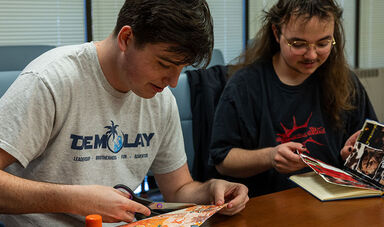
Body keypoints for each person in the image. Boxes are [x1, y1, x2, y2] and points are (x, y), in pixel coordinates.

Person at [0, 0, 249, 226]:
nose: (173, 82)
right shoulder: (51, 80)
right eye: (164, 64)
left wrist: (212, 190)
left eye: (181, 68)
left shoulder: (160, 99)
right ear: (126, 38)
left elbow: (178, 189)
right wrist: (74, 199)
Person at [209, 0, 377, 197]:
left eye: (323, 43)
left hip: (335, 203)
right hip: (269, 205)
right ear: (276, 33)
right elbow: (223, 161)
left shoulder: (346, 82)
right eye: (298, 44)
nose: (311, 55)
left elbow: (372, 160)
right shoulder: (245, 86)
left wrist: (354, 155)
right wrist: (270, 157)